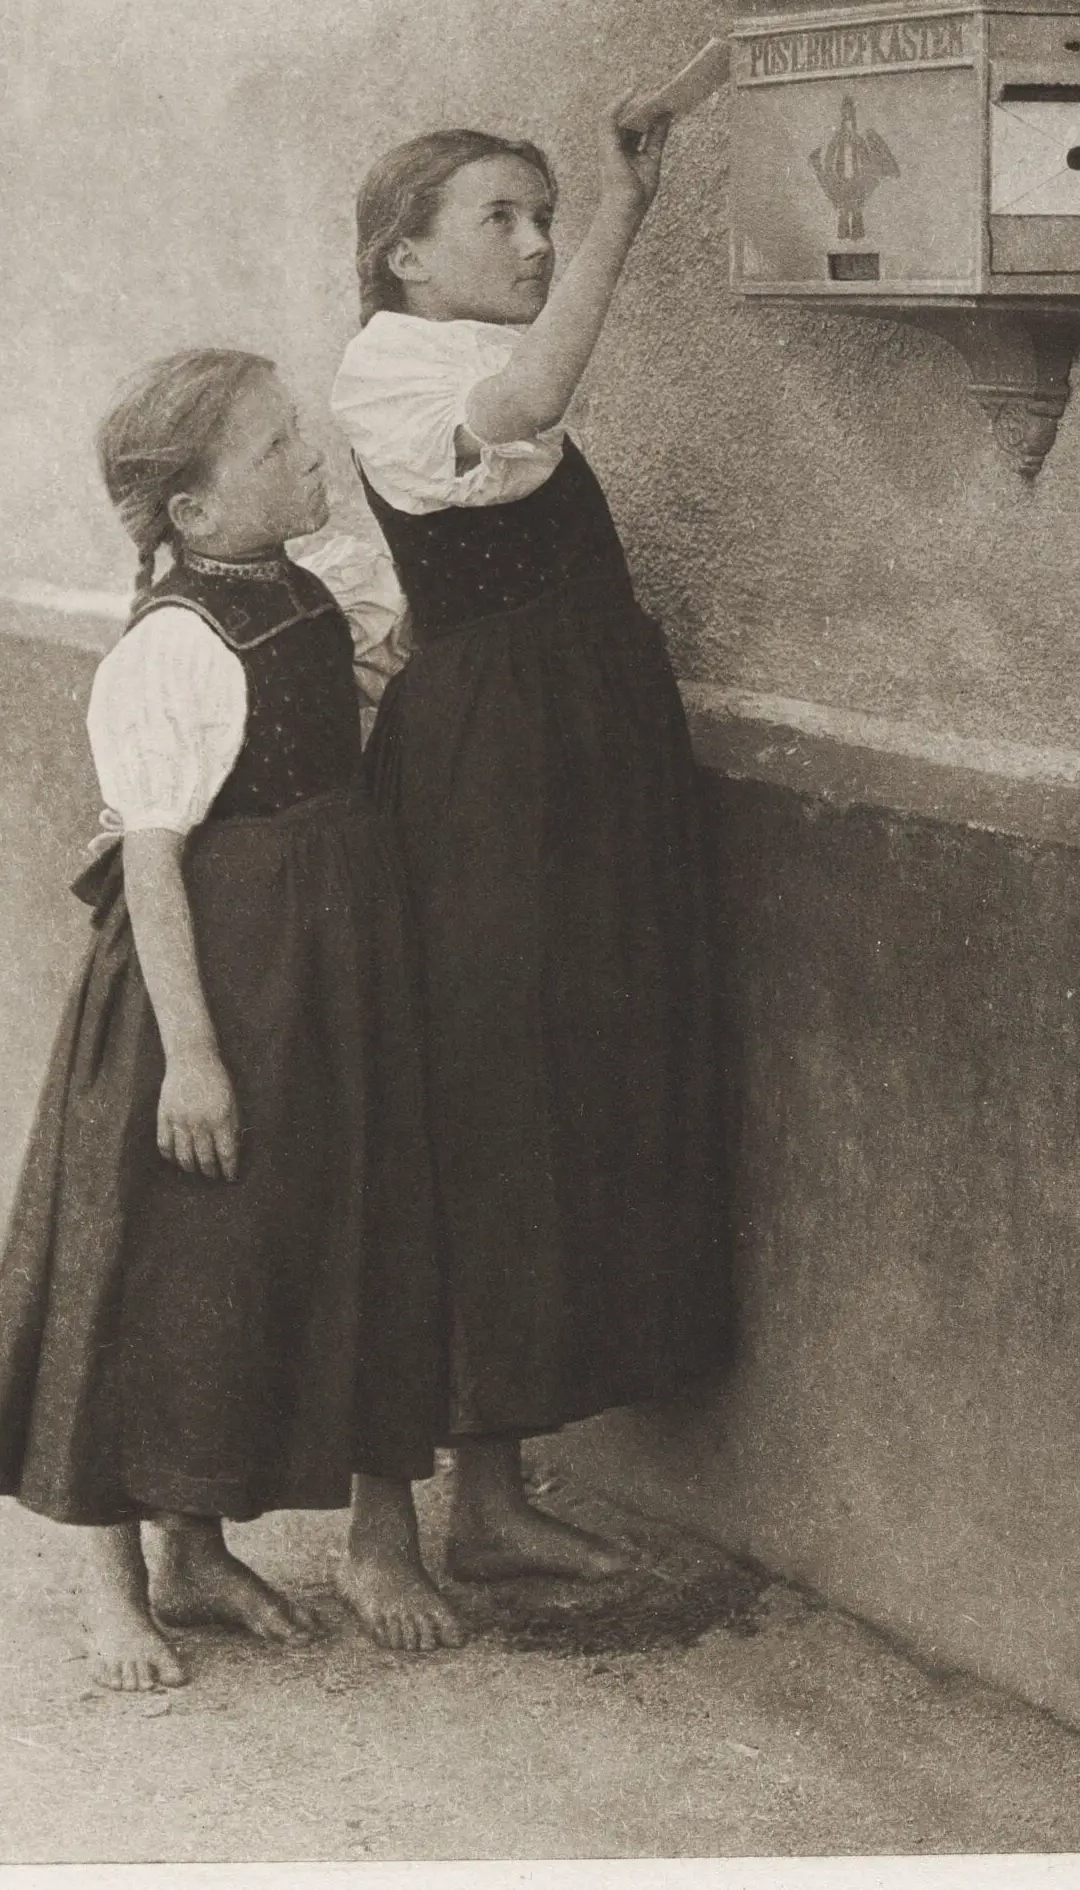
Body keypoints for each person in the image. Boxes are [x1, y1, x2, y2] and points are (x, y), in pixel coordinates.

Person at [0, 350, 463, 1686]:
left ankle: (214, 1546)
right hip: (205, 988)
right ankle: (115, 1583)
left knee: (322, 1229)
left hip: (330, 969)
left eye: (302, 438)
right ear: (192, 514)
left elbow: (351, 667)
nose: (312, 461)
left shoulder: (306, 585)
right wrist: (192, 1058)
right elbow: (154, 858)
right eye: (280, 450)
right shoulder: (171, 646)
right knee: (151, 1265)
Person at [330, 100, 729, 1583]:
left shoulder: (451, 352)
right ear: (405, 258)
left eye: (547, 213)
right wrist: (630, 210)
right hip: (493, 765)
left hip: (580, 753)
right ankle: (390, 1521)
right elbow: (534, 390)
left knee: (553, 1088)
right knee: (468, 1102)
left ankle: (490, 1500)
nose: (536, 239)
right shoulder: (390, 368)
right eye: (500, 216)